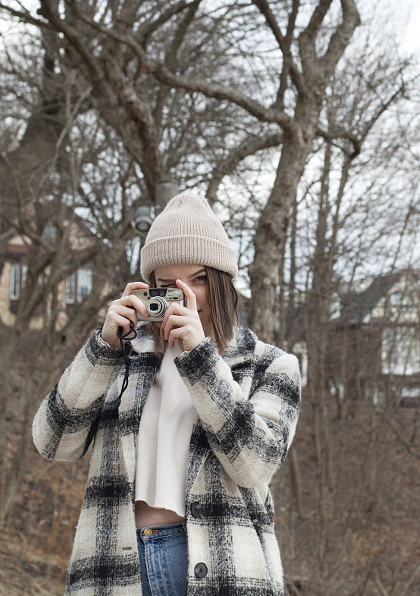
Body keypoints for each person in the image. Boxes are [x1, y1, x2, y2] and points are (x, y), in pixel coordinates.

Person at [33, 193, 301, 596]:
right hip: (114, 564)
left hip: (220, 567)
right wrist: (103, 349)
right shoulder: (122, 355)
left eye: (198, 279)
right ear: (149, 289)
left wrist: (200, 358)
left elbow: (255, 465)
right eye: (167, 285)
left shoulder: (269, 365)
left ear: (222, 283)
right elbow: (53, 442)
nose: (185, 296)